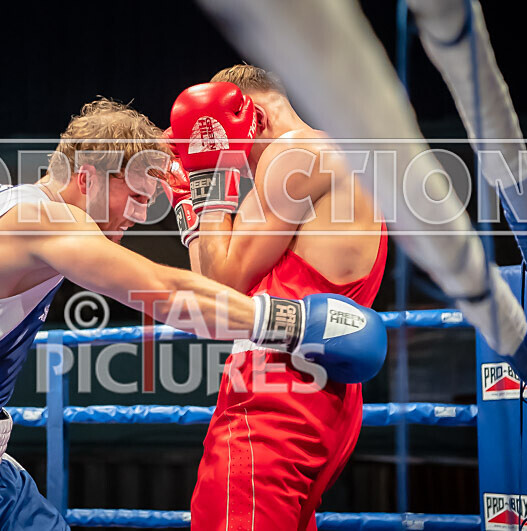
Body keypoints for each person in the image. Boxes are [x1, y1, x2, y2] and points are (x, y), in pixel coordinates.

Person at [0, 98, 386, 530]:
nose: (135, 217)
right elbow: (159, 289)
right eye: (135, 195)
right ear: (88, 175)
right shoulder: (52, 222)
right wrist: (292, 324)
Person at [167, 67, 388, 530]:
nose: (242, 165)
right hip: (317, 394)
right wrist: (190, 198)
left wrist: (211, 173)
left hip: (276, 399)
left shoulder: (293, 155)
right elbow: (213, 293)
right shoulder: (326, 156)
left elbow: (221, 289)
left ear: (255, 116)